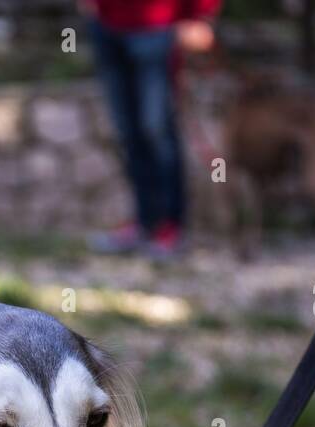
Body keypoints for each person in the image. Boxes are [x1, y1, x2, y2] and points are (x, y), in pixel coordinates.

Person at [83, 0, 219, 258]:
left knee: (156, 129)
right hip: (107, 24)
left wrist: (201, 15)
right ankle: (144, 222)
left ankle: (171, 227)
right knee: (128, 132)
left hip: (158, 26)